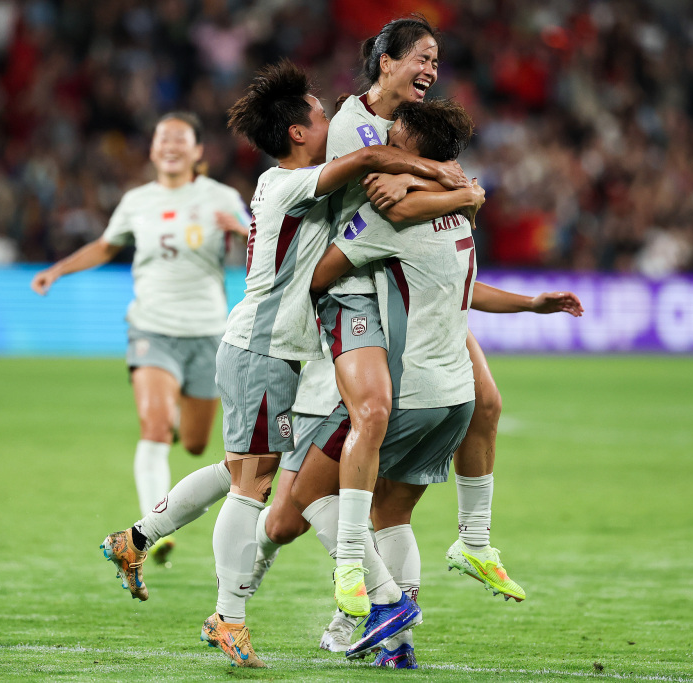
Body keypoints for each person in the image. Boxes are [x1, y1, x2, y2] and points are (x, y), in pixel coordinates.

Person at [178, 59, 467, 669]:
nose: (330, 119)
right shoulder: (288, 183)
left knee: (267, 490)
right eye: (318, 114)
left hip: (283, 355)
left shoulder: (303, 184)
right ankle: (231, 614)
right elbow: (367, 160)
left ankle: (369, 604)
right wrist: (447, 177)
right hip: (260, 349)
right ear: (297, 134)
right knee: (251, 489)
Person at [296, 99, 584, 668]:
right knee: (392, 514)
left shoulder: (388, 219)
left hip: (412, 393)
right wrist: (531, 303)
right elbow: (463, 288)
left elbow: (318, 276)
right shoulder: (462, 215)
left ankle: (380, 600)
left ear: (415, 152)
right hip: (457, 400)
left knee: (311, 497)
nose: (386, 145)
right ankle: (399, 648)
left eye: (395, 139)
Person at [317, 16, 532, 634]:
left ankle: (473, 542)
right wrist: (458, 190)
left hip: (403, 277)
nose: (432, 70)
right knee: (339, 463)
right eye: (422, 57)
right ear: (386, 60)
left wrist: (441, 181)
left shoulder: (409, 127)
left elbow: (414, 188)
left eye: (437, 61)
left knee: (485, 401)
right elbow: (391, 204)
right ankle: (333, 580)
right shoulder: (354, 127)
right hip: (359, 288)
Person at [31, 112, 251, 568]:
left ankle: (173, 419)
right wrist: (58, 270)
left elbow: (262, 240)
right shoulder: (137, 201)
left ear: (197, 151)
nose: (170, 145)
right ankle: (154, 530)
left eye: (180, 139)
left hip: (207, 332)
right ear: (152, 149)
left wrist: (242, 230)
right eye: (162, 138)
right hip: (151, 327)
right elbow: (106, 245)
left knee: (195, 443)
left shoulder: (221, 197)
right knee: (153, 427)